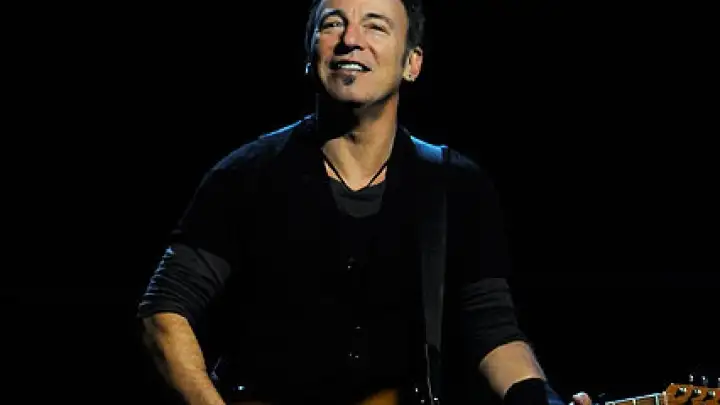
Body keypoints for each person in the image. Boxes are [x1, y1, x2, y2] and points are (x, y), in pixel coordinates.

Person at [137, 0, 593, 404]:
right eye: (333, 23)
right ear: (310, 53)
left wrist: (538, 399)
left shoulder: (456, 186)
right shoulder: (243, 176)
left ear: (412, 63)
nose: (350, 40)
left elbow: (493, 330)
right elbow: (164, 310)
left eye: (375, 26)